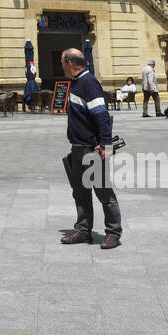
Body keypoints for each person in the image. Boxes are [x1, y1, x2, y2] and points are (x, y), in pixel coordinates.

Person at [59, 48, 121, 250]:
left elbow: (102, 115)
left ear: (70, 63)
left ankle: (113, 233)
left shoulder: (88, 83)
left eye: (62, 63)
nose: (62, 67)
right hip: (78, 148)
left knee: (104, 193)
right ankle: (83, 230)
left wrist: (105, 145)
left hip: (91, 150)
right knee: (80, 192)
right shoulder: (76, 83)